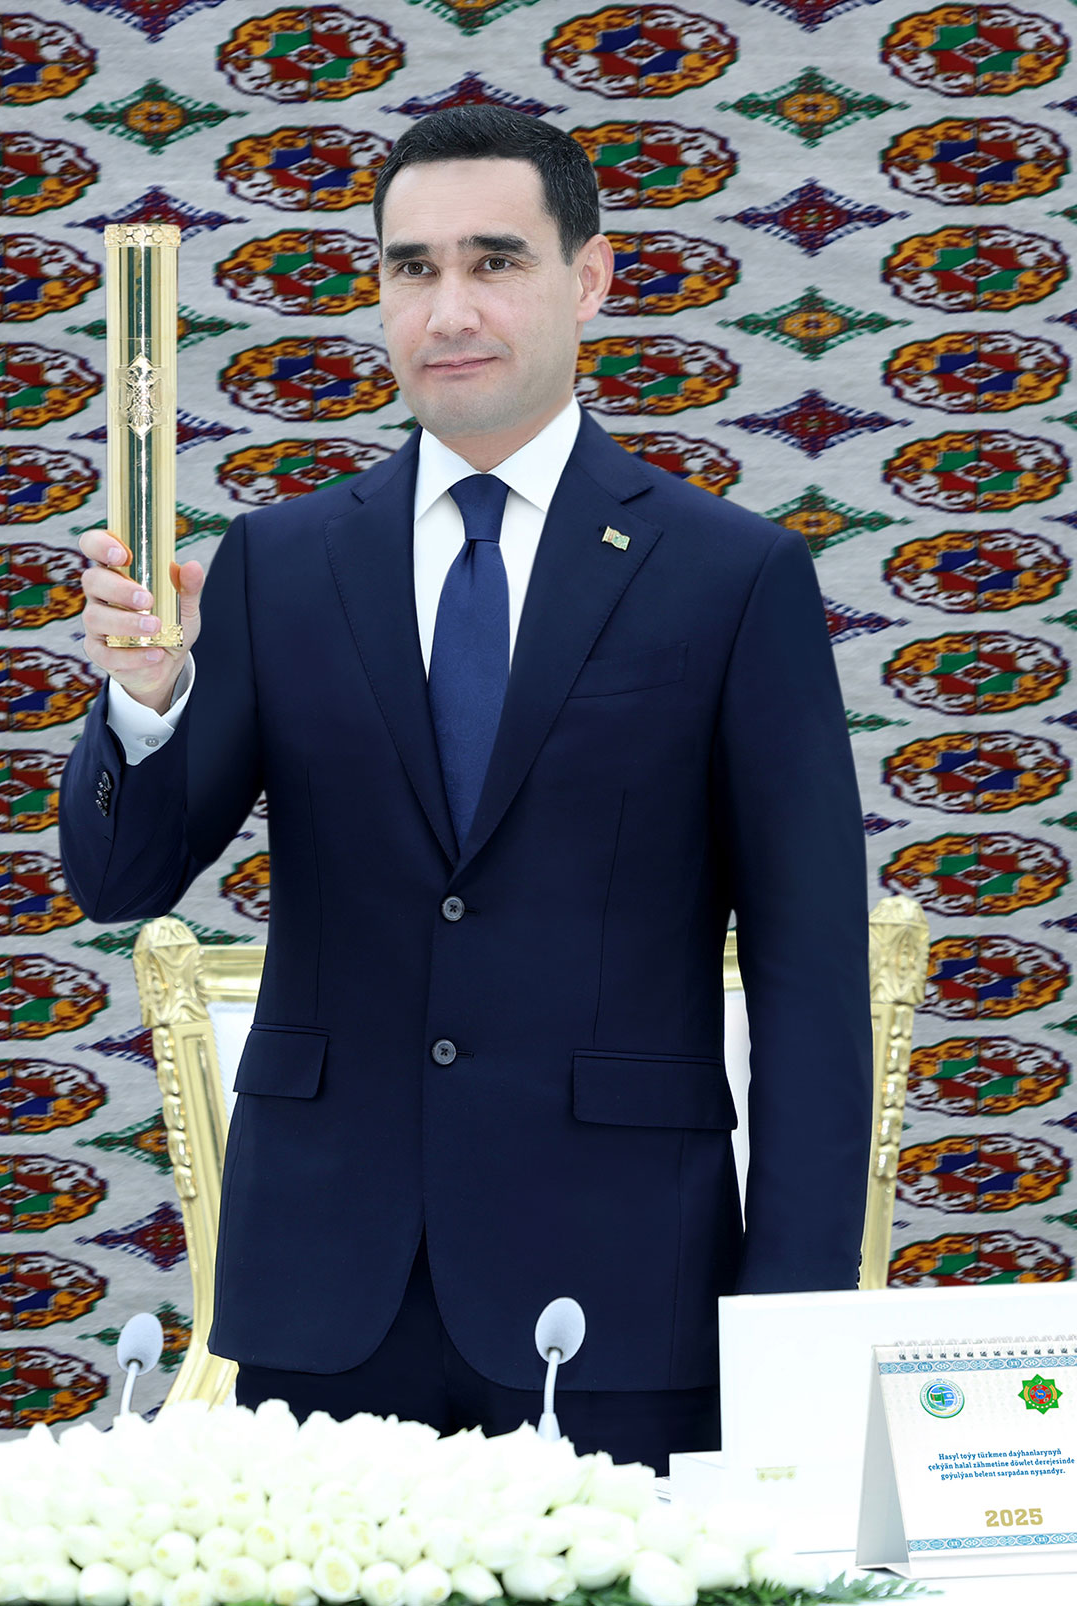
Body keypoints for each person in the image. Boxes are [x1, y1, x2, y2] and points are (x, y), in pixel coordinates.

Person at [60, 105, 872, 1472]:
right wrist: (145, 700)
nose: (449, 310)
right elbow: (121, 878)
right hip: (326, 1295)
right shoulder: (279, 565)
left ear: (589, 279)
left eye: (495, 261)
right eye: (411, 267)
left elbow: (810, 974)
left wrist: (789, 1330)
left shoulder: (731, 577)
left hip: (626, 1290)